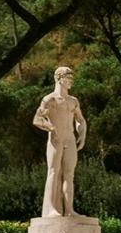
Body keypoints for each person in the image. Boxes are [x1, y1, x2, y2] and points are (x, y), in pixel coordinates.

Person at [33, 66, 88, 217]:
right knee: (53, 172)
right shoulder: (49, 99)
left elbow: (81, 121)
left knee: (69, 175)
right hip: (55, 140)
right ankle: (51, 209)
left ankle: (69, 210)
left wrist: (82, 134)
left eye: (71, 78)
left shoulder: (73, 101)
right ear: (59, 78)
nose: (71, 81)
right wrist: (50, 127)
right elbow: (37, 119)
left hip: (69, 140)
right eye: (68, 78)